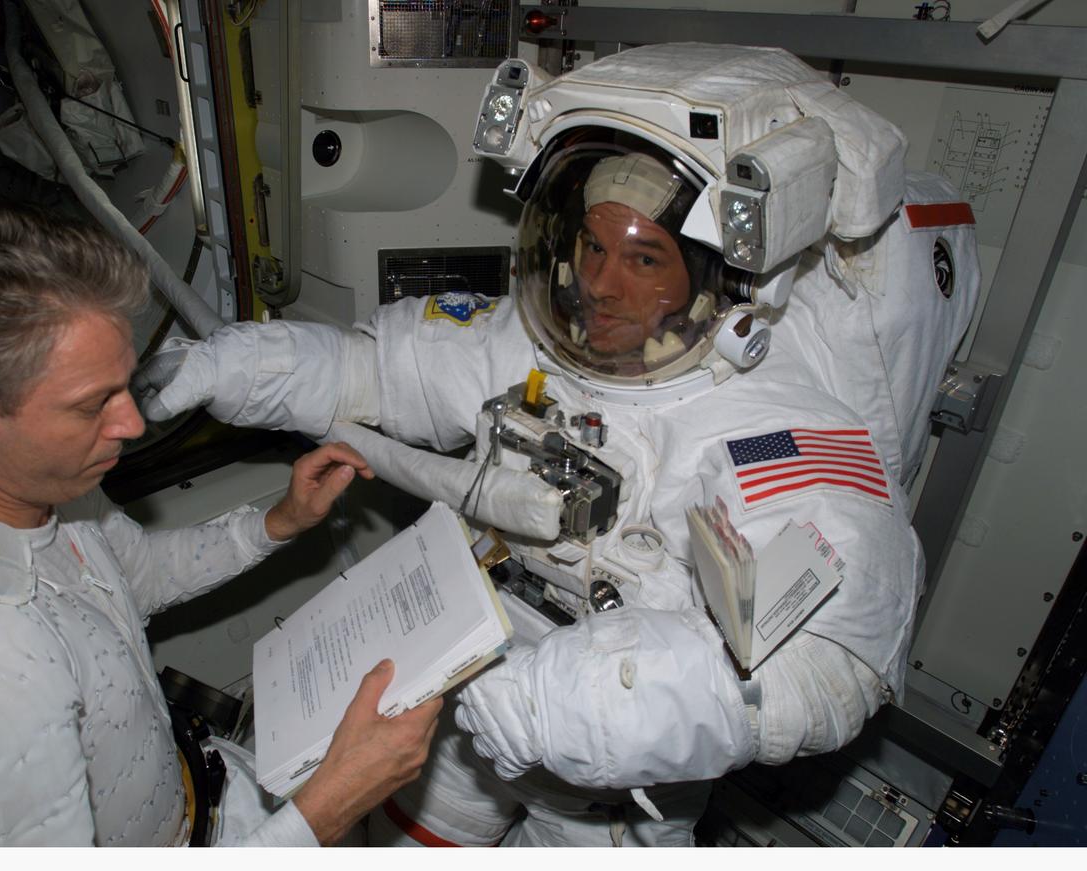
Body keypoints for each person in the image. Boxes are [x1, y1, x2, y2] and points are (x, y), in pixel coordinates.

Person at [132, 44, 980, 847]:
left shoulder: (768, 425)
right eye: (593, 245)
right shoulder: (534, 344)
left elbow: (834, 660)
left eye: (645, 261)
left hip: (609, 755)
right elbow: (370, 373)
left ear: (715, 272)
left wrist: (579, 703)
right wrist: (231, 365)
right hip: (471, 659)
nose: (603, 285)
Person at [0, 192, 442, 847]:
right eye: (92, 404)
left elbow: (133, 574)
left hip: (205, 790)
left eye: (125, 385)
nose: (132, 424)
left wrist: (276, 521)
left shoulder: (40, 484)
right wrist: (330, 808)